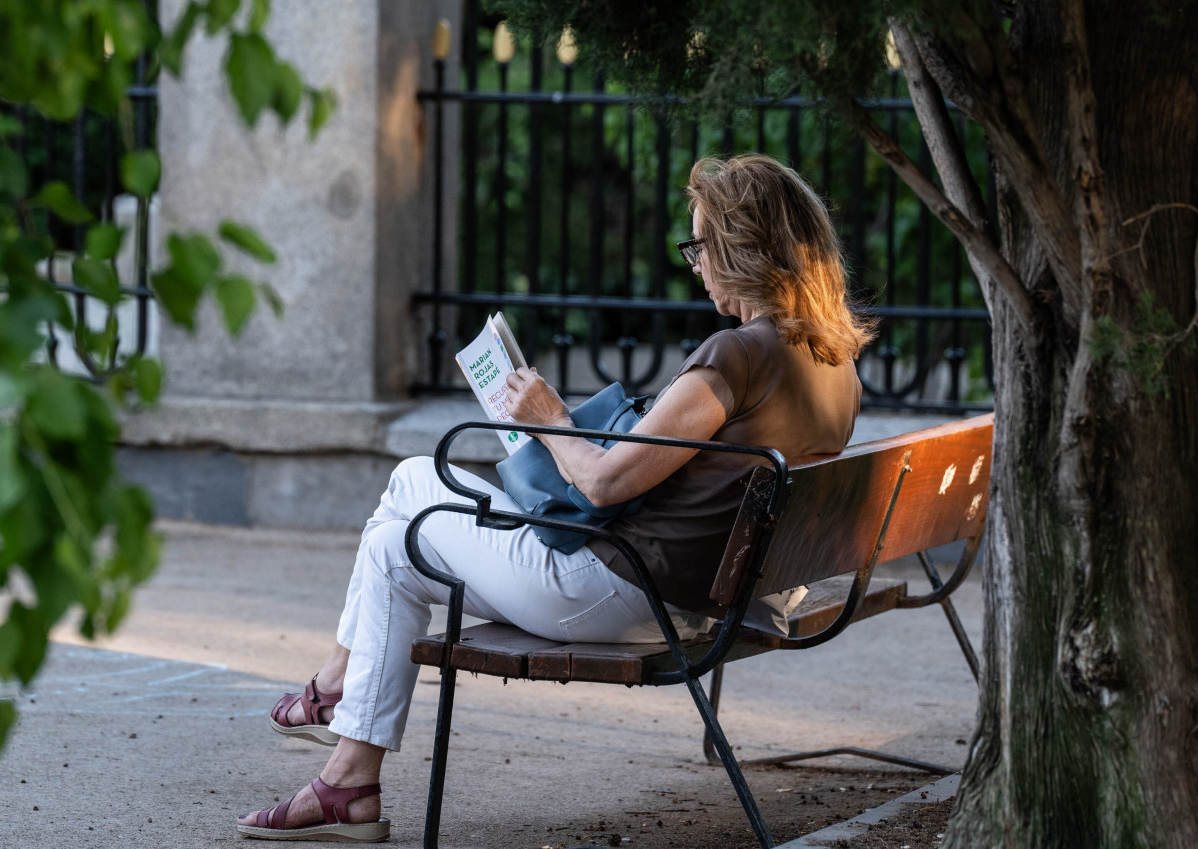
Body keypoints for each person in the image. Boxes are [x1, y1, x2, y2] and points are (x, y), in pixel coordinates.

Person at [236, 154, 874, 841]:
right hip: (723, 592)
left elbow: (603, 481)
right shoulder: (835, 366)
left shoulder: (737, 356)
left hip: (627, 593)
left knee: (400, 537)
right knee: (412, 483)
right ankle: (341, 713)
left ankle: (346, 760)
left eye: (700, 245)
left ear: (742, 246)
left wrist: (547, 418)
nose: (695, 264)